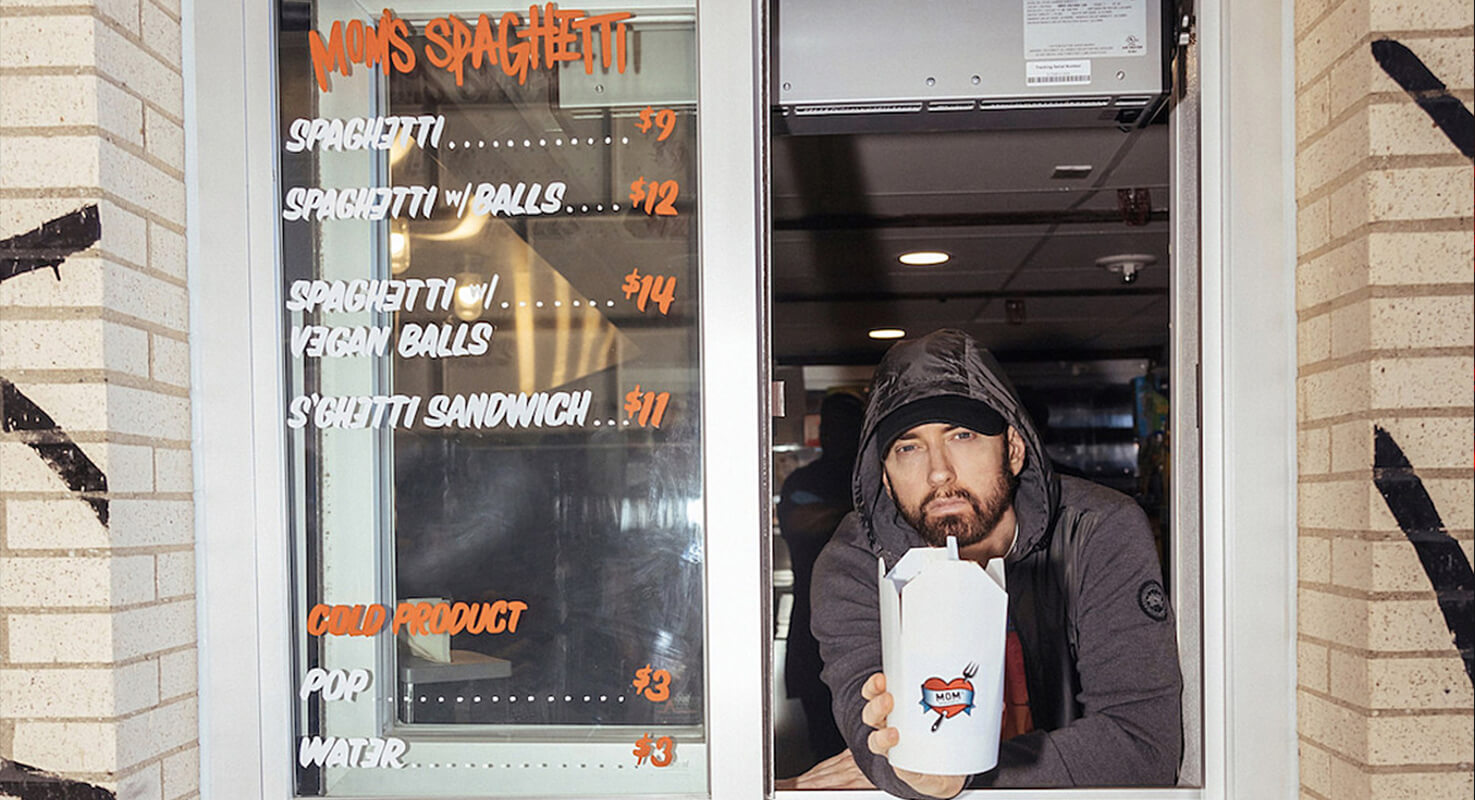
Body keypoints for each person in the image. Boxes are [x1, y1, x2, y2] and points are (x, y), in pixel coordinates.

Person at [807, 329, 1182, 798]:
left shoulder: (1095, 532)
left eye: (962, 435)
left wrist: (962, 776)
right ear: (885, 477)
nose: (939, 471)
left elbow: (1142, 746)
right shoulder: (859, 564)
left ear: (1013, 449)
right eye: (908, 447)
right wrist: (901, 765)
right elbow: (878, 736)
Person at [777, 391, 865, 765]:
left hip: (868, 625)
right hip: (810, 629)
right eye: (828, 426)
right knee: (823, 752)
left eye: (842, 426)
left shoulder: (874, 478)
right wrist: (859, 514)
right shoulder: (804, 480)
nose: (832, 434)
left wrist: (833, 514)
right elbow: (800, 521)